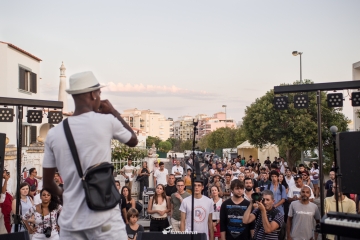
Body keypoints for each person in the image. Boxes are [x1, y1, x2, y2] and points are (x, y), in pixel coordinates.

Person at [42, 71, 138, 239]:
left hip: (71, 225)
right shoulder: (106, 121)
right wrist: (113, 112)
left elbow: (48, 183)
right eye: (99, 93)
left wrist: (64, 194)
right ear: (93, 94)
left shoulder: (54, 134)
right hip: (105, 220)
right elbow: (133, 140)